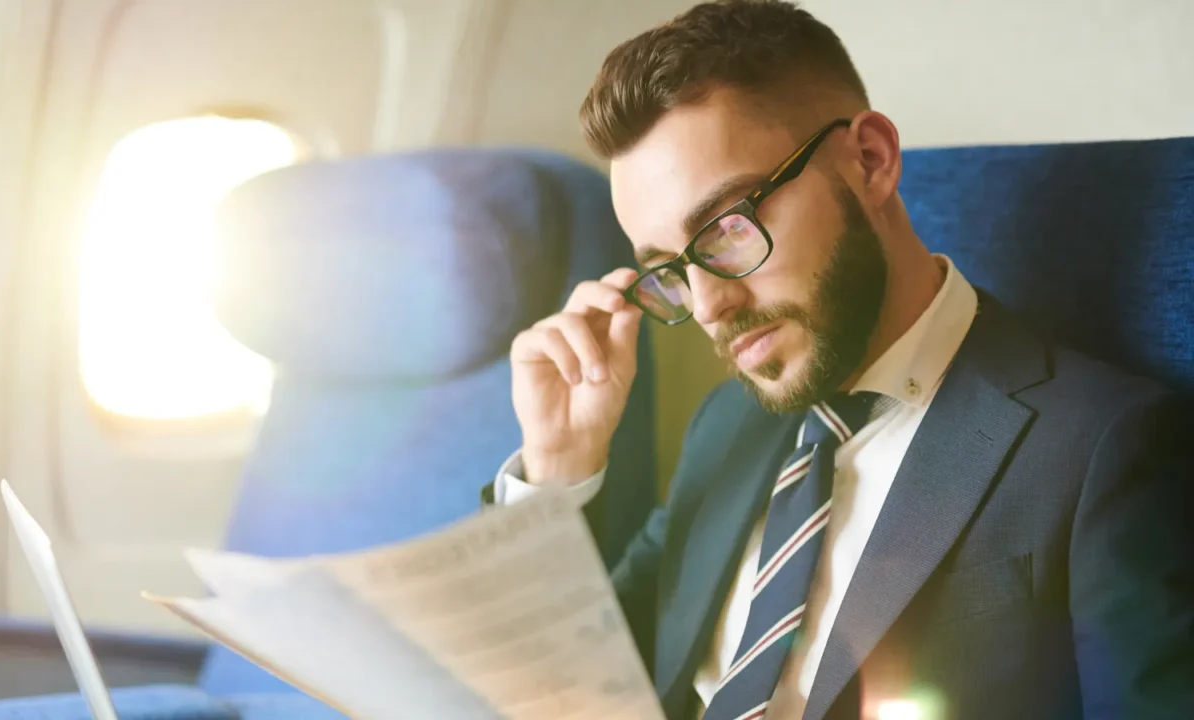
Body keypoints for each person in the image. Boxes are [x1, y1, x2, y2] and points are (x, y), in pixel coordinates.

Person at [486, 1, 1194, 719]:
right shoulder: (727, 425)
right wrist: (556, 471)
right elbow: (573, 686)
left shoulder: (1109, 447)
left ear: (870, 161)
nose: (706, 307)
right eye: (668, 268)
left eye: (728, 228)